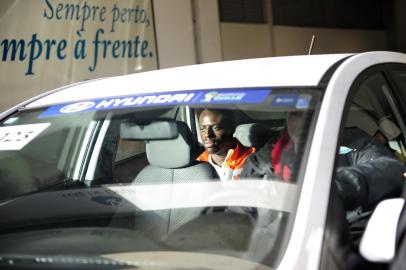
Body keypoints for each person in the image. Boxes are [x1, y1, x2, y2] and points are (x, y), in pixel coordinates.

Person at [242, 111, 406, 240]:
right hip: (273, 248)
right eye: (295, 114)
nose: (302, 122)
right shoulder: (261, 160)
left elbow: (392, 168)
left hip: (336, 238)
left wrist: (338, 186)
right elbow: (239, 212)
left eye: (311, 115)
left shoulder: (354, 143)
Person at [196, 108, 255, 181]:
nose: (207, 134)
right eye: (202, 129)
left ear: (231, 129)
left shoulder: (252, 159)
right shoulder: (198, 165)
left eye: (215, 128)